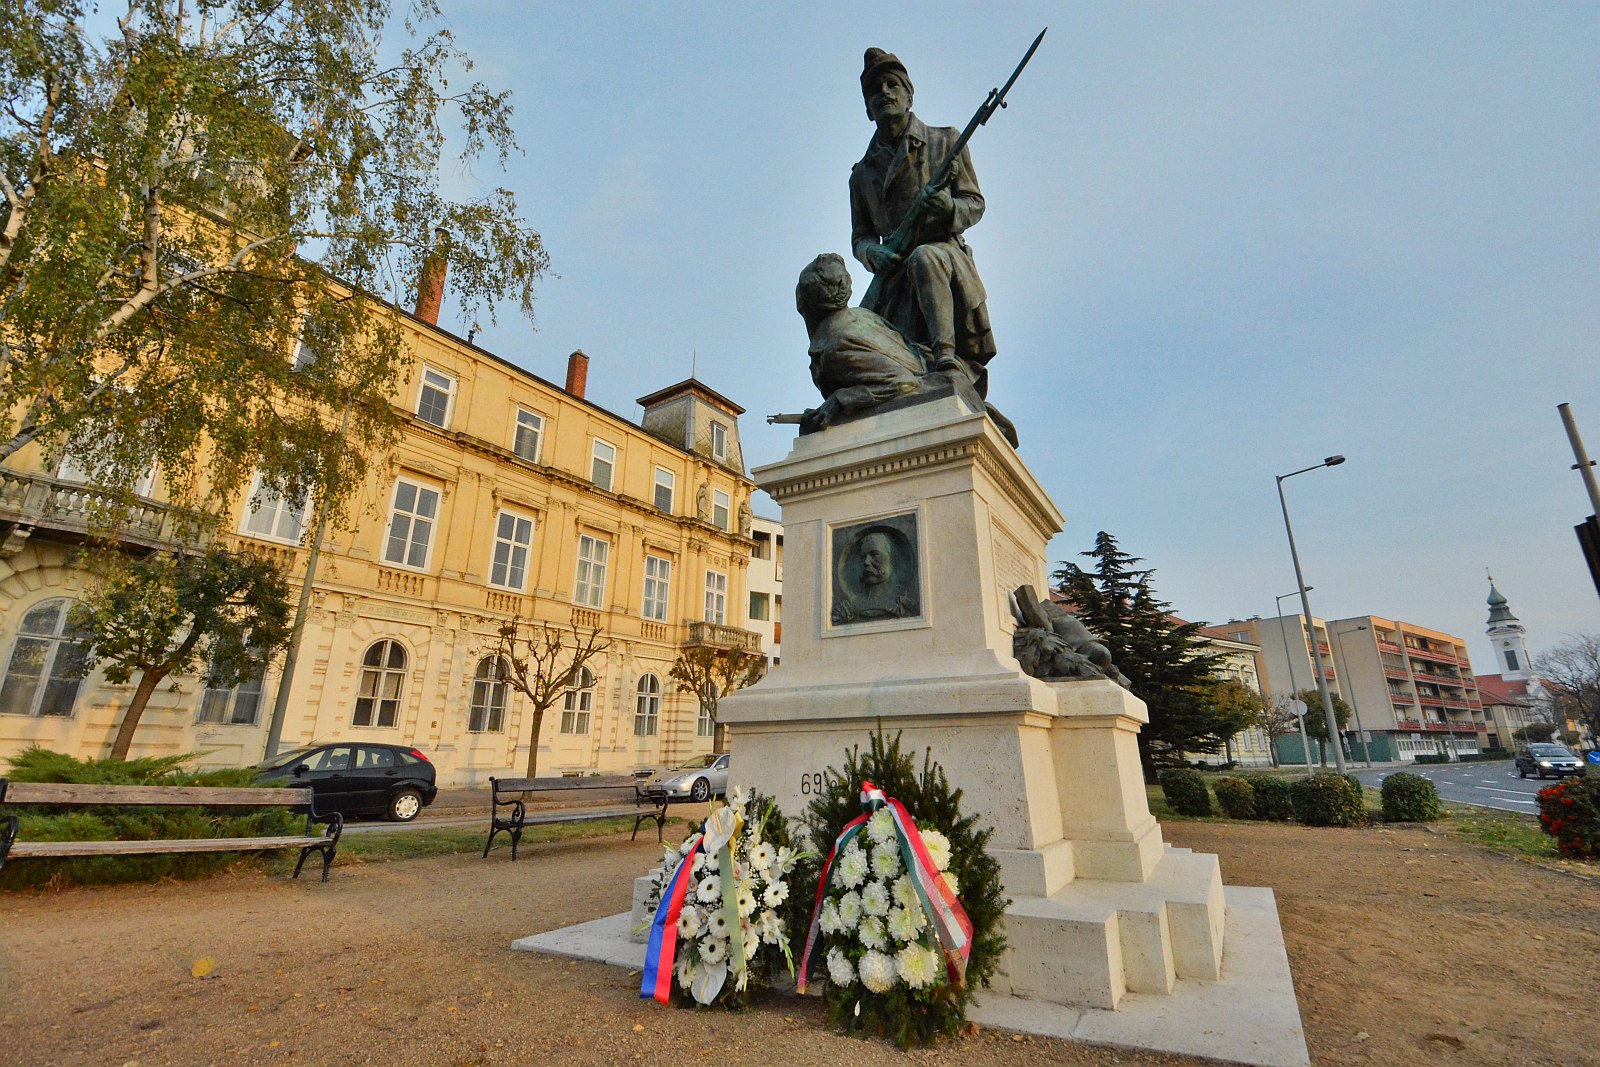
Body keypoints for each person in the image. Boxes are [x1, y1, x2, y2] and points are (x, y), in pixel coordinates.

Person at [850, 48, 997, 397]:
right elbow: (861, 237)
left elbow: (974, 203)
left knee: (925, 257)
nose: (884, 93)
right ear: (868, 109)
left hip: (945, 260)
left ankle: (945, 359)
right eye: (875, 90)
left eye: (892, 85)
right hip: (894, 277)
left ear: (909, 95)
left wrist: (948, 207)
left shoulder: (945, 141)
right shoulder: (862, 175)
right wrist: (873, 253)